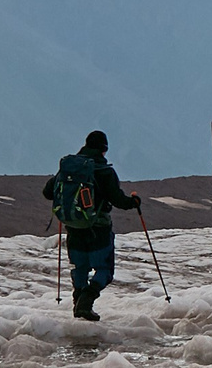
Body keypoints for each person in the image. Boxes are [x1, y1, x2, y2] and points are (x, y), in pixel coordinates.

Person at [44, 129, 141, 321]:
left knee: (80, 267)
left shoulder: (69, 169)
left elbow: (48, 192)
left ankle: (78, 302)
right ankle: (86, 301)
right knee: (104, 270)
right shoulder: (105, 171)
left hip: (73, 227)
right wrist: (134, 201)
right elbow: (118, 200)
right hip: (99, 229)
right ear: (104, 149)